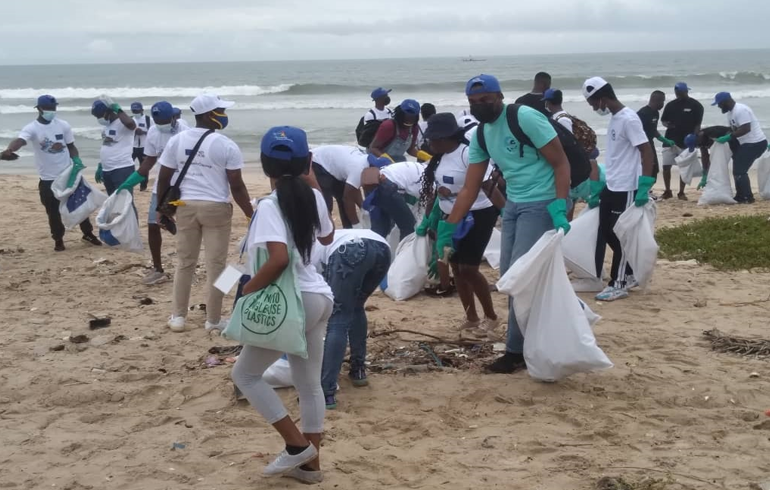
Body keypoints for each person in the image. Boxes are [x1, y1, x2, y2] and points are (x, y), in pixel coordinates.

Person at [443, 74, 572, 374]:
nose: (479, 106)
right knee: (511, 278)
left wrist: (559, 204)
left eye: (485, 100)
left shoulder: (524, 117)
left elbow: (560, 162)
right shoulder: (481, 135)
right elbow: (469, 187)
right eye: (473, 103)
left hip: (543, 201)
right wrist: (449, 225)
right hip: (513, 205)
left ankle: (516, 351)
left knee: (519, 277)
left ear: (499, 96)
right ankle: (525, 342)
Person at [231, 126, 334, 484]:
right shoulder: (313, 197)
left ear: (264, 166)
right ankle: (311, 468)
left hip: (293, 301)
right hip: (320, 296)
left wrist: (247, 292)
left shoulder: (269, 205)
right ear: (307, 162)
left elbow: (276, 260)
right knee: (309, 385)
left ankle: (295, 446)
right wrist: (314, 182)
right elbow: (327, 236)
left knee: (244, 375)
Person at [157, 93, 253, 332]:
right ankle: (213, 320)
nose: (225, 115)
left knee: (185, 263)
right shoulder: (225, 144)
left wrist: (161, 207)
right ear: (211, 115)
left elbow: (164, 177)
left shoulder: (176, 141)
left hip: (185, 207)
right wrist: (250, 213)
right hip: (216, 208)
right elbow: (237, 186)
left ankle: (178, 317)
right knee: (216, 265)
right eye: (221, 110)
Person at [416, 113, 500, 335]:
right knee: (455, 267)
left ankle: (491, 316)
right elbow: (437, 189)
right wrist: (430, 217)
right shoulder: (439, 158)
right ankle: (471, 317)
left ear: (446, 137)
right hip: (448, 218)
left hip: (478, 215)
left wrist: (508, 213)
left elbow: (489, 187)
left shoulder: (468, 154)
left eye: (433, 139)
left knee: (469, 269)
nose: (429, 143)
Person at [583, 76, 654, 301]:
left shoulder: (629, 119)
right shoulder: (615, 118)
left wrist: (645, 183)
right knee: (606, 231)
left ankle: (619, 282)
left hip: (628, 187)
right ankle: (630, 271)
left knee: (621, 236)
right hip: (613, 185)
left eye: (594, 104)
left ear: (603, 98)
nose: (594, 108)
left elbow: (646, 151)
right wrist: (599, 186)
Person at [0, 95, 102, 251]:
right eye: (48, 109)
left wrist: (76, 159)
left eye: (54, 108)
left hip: (68, 174)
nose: (52, 111)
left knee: (81, 206)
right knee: (53, 212)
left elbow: (71, 146)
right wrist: (9, 150)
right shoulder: (32, 128)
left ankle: (87, 234)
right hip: (48, 178)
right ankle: (58, 239)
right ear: (39, 109)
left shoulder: (63, 125)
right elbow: (20, 140)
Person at [115, 101, 190, 285]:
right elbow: (149, 161)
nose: (161, 125)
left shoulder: (184, 130)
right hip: (162, 186)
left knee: (189, 227)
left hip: (185, 186)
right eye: (158, 122)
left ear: (174, 117)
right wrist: (130, 181)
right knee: (152, 224)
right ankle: (158, 268)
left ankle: (187, 266)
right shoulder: (154, 133)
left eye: (165, 121)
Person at [317, 228, 390, 409]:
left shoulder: (307, 252)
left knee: (338, 319)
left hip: (348, 251)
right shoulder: (320, 239)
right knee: (356, 306)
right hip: (382, 248)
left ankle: (326, 391)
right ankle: (358, 370)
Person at [712, 92, 768, 203]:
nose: (719, 107)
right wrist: (724, 136)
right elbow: (734, 129)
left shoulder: (741, 110)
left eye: (719, 104)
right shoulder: (730, 114)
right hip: (747, 144)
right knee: (738, 169)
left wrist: (729, 137)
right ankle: (740, 196)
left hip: (755, 143)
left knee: (739, 170)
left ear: (726, 102)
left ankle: (747, 197)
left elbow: (746, 128)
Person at [660, 82, 703, 200]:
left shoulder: (696, 105)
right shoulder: (670, 105)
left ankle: (681, 192)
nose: (680, 95)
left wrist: (694, 137)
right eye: (678, 93)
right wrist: (666, 124)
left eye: (683, 93)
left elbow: (698, 124)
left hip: (686, 141)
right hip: (670, 140)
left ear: (686, 91)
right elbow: (663, 120)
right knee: (666, 166)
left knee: (684, 167)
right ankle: (668, 190)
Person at [310, 145, 369, 229]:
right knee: (325, 204)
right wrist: (357, 225)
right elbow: (347, 198)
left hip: (334, 163)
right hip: (318, 161)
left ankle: (349, 230)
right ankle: (324, 235)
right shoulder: (358, 169)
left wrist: (363, 208)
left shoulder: (366, 164)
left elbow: (354, 188)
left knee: (342, 196)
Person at [368, 157, 425, 240]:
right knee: (408, 226)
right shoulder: (429, 182)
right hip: (388, 187)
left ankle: (376, 249)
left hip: (382, 180)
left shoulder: (419, 168)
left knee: (382, 228)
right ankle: (403, 252)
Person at [91, 97, 137, 195]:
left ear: (109, 112)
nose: (99, 119)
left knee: (125, 202)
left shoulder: (123, 123)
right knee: (113, 201)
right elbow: (107, 146)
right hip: (107, 169)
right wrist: (101, 164)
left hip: (122, 169)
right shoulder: (106, 127)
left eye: (99, 116)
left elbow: (131, 124)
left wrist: (118, 109)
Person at [637, 90, 668, 183]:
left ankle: (647, 191)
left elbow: (653, 129)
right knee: (646, 169)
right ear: (655, 100)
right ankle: (641, 191)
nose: (663, 104)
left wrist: (663, 139)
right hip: (641, 146)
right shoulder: (642, 113)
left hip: (650, 143)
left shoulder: (656, 113)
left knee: (655, 170)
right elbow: (636, 132)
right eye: (662, 101)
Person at [130, 102, 152, 191]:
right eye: (134, 111)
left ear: (142, 110)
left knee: (144, 168)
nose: (136, 112)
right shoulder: (130, 119)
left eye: (137, 110)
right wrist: (134, 132)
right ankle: (129, 184)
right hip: (132, 147)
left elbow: (153, 132)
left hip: (144, 147)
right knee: (128, 166)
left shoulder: (148, 119)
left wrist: (143, 132)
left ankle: (143, 186)